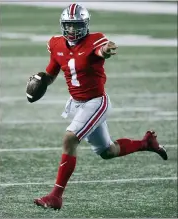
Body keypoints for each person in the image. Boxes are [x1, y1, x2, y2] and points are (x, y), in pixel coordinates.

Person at [33, 3, 168, 210]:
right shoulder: (56, 44)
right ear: (63, 25)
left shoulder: (94, 40)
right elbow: (51, 74)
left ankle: (56, 196)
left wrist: (106, 50)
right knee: (108, 151)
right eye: (68, 25)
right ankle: (146, 143)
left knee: (70, 139)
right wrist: (39, 81)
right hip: (78, 104)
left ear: (85, 25)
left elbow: (101, 49)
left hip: (96, 102)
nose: (72, 30)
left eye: (76, 25)